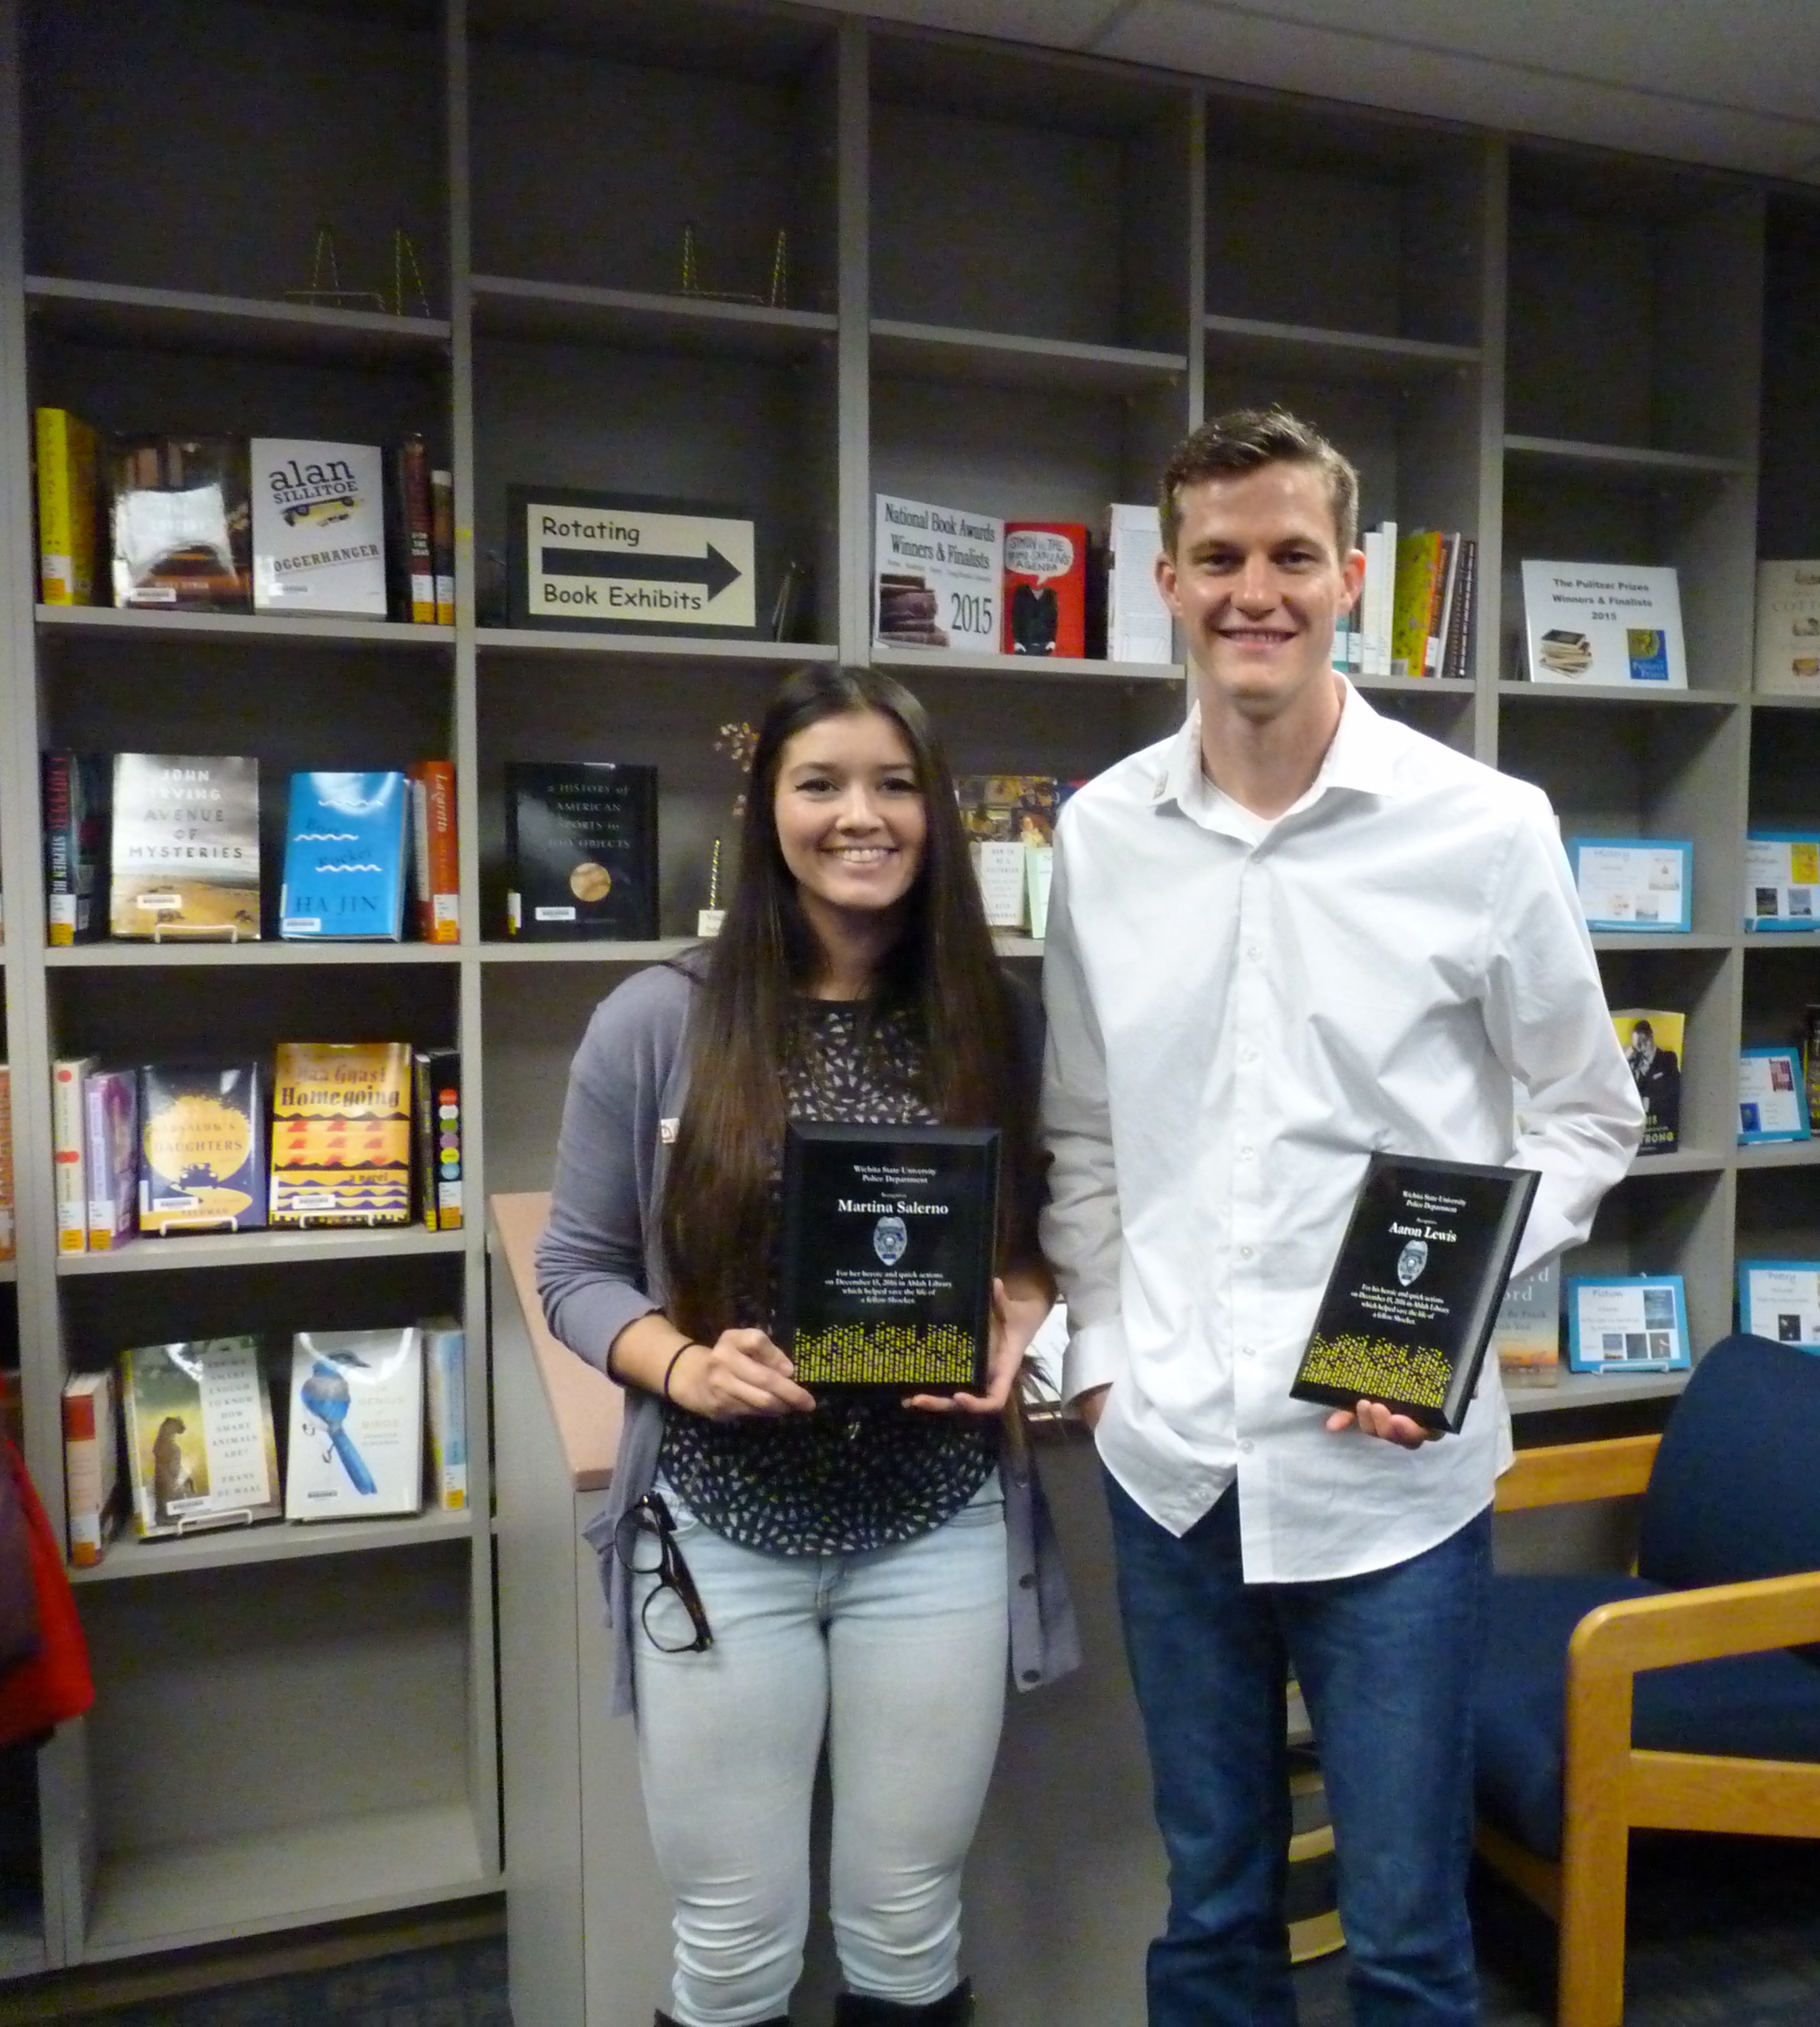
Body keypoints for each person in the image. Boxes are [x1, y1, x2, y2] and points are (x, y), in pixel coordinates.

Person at [1040, 407, 1642, 2025]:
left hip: (1389, 1484)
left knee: (1403, 1936)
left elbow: (1588, 1111)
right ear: (1163, 581)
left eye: (1291, 556)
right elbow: (1083, 1132)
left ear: (1350, 579)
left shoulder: (1484, 827)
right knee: (1214, 1910)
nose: (1257, 590)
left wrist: (1443, 1327)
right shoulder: (1099, 836)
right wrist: (1099, 1369)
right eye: (1219, 558)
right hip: (1171, 1464)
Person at [537, 664, 1077, 2027]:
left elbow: (1048, 1228)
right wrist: (682, 1365)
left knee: (907, 1931)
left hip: (933, 1527)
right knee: (731, 1945)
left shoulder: (999, 1019)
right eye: (821, 783)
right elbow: (577, 1271)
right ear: (766, 808)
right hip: (720, 1534)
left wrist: (1019, 1298)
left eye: (895, 784)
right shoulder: (657, 1020)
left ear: (936, 811)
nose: (862, 816)